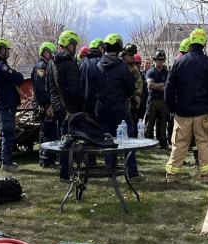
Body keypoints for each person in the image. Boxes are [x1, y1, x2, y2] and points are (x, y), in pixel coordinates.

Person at [164, 28, 208, 183]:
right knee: (204, 143)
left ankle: (172, 175)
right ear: (204, 43)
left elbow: (169, 88)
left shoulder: (179, 62)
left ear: (190, 41)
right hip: (203, 113)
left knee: (179, 144)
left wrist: (171, 108)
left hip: (182, 113)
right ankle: (206, 176)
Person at [84, 33, 138, 178]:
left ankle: (110, 170)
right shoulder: (123, 68)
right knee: (128, 141)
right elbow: (131, 90)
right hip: (121, 111)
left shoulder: (96, 66)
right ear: (119, 48)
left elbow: (90, 92)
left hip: (102, 111)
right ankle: (132, 172)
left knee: (108, 141)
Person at [47, 30, 82, 181]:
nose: (75, 48)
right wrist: (79, 105)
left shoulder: (51, 62)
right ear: (69, 45)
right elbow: (75, 89)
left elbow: (50, 86)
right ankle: (66, 173)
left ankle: (64, 171)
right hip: (69, 107)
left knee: (63, 139)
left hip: (57, 107)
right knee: (70, 140)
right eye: (74, 45)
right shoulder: (70, 63)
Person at [0, 38, 24, 172]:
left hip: (5, 103)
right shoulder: (0, 66)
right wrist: (17, 75)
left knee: (4, 134)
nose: (8, 52)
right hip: (7, 103)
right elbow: (18, 78)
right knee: (9, 134)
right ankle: (7, 163)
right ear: (1, 49)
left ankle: (2, 161)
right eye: (7, 49)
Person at [33, 41, 58, 168]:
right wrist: (47, 105)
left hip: (50, 105)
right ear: (45, 52)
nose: (52, 55)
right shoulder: (41, 67)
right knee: (46, 133)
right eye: (50, 52)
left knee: (52, 132)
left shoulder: (47, 65)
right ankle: (45, 159)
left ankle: (50, 159)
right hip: (45, 106)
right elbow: (40, 88)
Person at [144, 49, 169, 148]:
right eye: (158, 59)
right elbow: (150, 85)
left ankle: (162, 144)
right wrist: (163, 85)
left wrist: (159, 86)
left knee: (162, 124)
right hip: (152, 100)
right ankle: (146, 143)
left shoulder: (166, 72)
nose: (160, 61)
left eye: (162, 60)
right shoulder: (151, 71)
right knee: (149, 123)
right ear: (155, 60)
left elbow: (169, 86)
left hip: (163, 101)